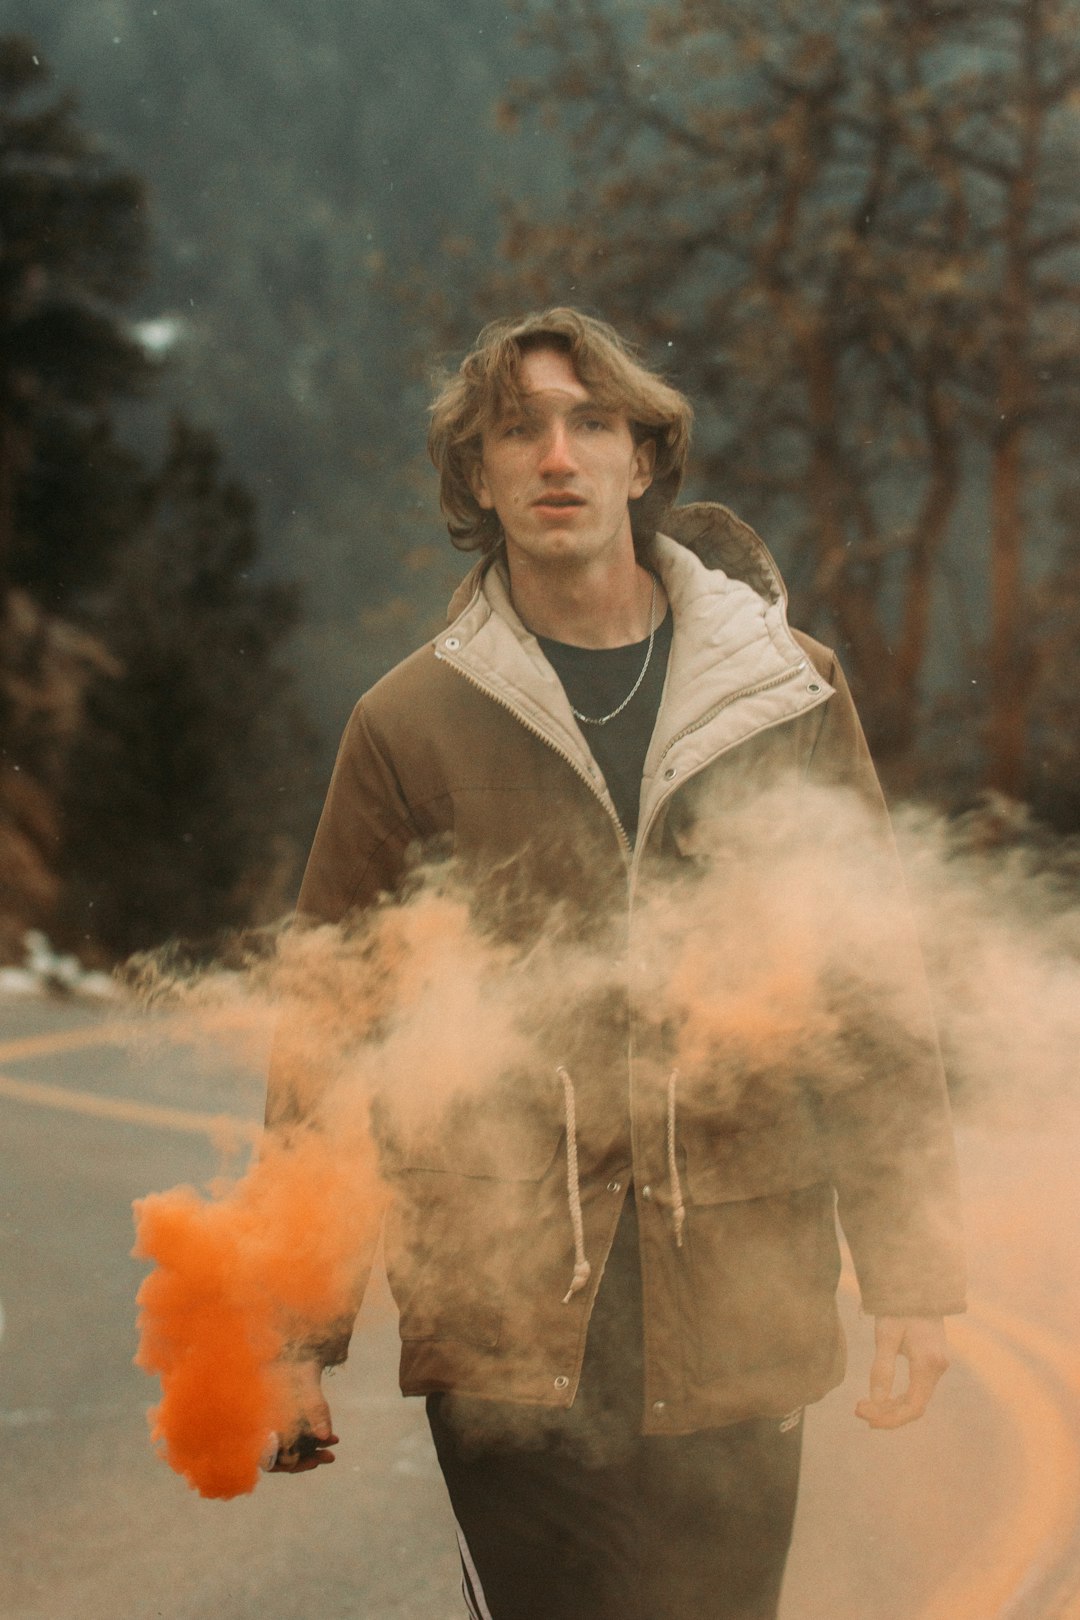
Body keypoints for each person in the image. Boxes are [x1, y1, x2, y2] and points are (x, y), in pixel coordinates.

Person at [264, 307, 966, 1620]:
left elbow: (870, 1000)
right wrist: (298, 1333)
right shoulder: (408, 724)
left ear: (646, 458)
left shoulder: (787, 695)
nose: (557, 455)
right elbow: (333, 1027)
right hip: (507, 1329)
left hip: (745, 1309)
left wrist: (912, 1277)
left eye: (593, 422)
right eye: (516, 429)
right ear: (476, 478)